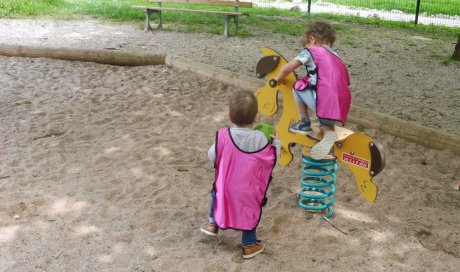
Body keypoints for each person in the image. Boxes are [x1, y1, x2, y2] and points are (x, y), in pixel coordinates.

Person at [200, 90, 281, 259]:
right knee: (249, 210)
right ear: (256, 118)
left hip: (226, 186)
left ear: (229, 115)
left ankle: (212, 224)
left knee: (217, 193)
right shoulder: (260, 138)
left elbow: (211, 156)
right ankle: (249, 245)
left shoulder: (223, 135)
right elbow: (272, 158)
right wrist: (276, 142)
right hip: (249, 190)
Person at [274, 21, 351, 160]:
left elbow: (287, 68)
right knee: (326, 125)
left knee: (298, 87)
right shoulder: (335, 56)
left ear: (312, 39)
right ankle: (328, 137)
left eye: (306, 45)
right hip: (340, 106)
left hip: (324, 101)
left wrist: (279, 78)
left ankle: (304, 124)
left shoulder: (311, 51)